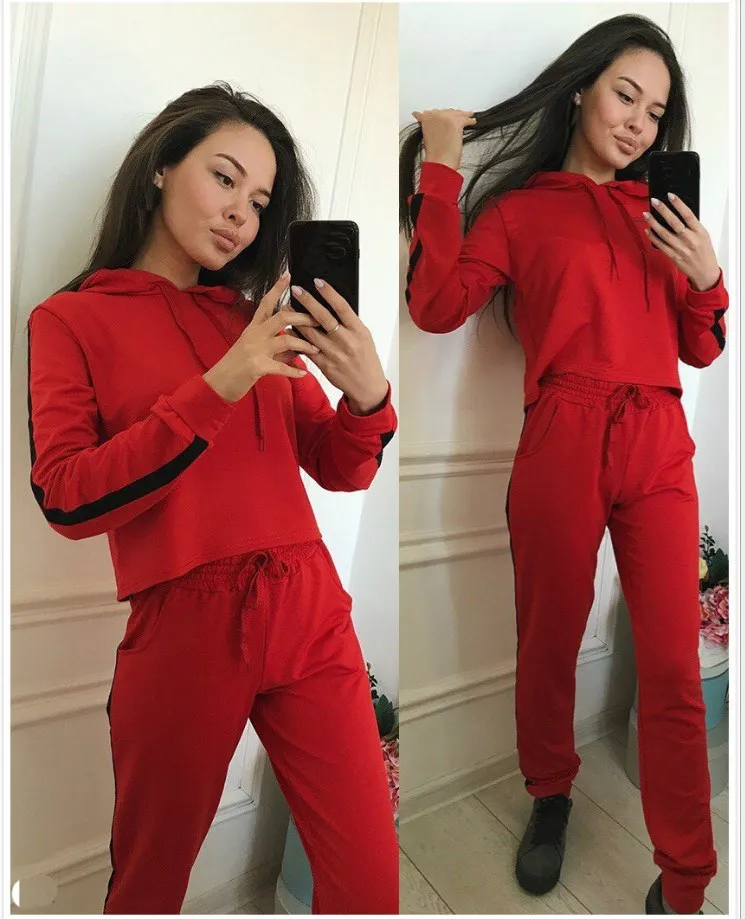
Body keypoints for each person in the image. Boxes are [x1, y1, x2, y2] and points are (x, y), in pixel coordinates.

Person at [27, 82, 398, 915]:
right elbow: (66, 496)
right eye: (224, 178)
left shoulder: (255, 318)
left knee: (371, 881)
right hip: (184, 626)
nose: (240, 214)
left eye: (260, 202)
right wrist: (220, 383)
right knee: (149, 886)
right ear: (162, 167)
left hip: (310, 609)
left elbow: (338, 466)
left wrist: (367, 394)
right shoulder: (70, 320)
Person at [400, 14, 727, 917]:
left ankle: (687, 877)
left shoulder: (662, 214)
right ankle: (550, 793)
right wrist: (438, 165)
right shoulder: (520, 211)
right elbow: (434, 305)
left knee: (672, 663)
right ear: (581, 89)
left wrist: (705, 275)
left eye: (654, 112)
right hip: (562, 432)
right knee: (547, 639)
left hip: (657, 438)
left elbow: (701, 348)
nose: (637, 123)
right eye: (625, 95)